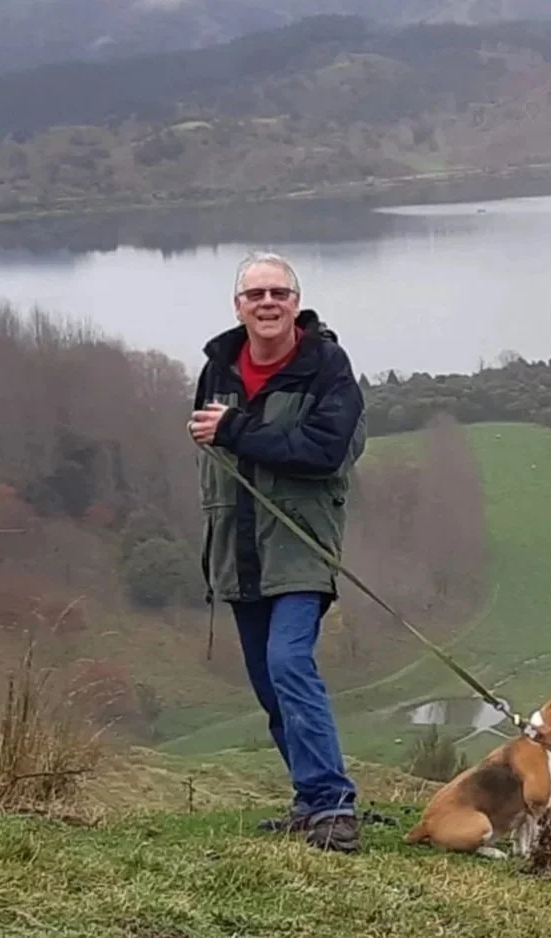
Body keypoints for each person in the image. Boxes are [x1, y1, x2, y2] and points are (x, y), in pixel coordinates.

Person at [188, 250, 366, 853]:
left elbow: (323, 451)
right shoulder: (217, 366)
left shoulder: (327, 367)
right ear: (238, 306)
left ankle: (334, 803)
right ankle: (311, 800)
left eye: (279, 294)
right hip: (238, 549)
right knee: (268, 683)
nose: (267, 304)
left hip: (299, 545)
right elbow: (210, 450)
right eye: (255, 294)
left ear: (297, 304)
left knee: (291, 663)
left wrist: (234, 431)